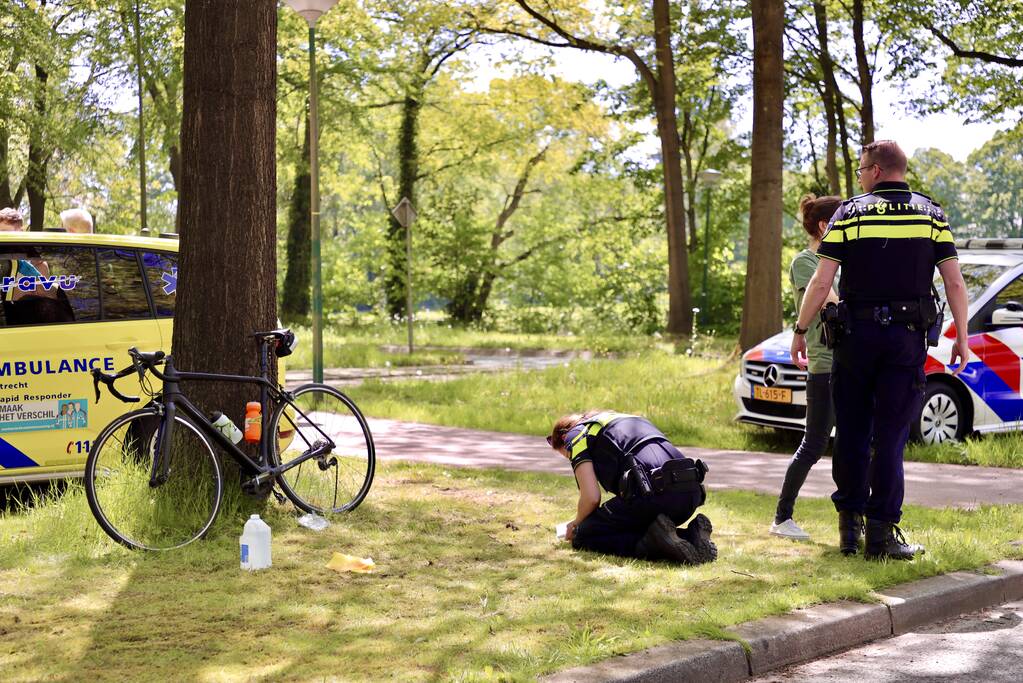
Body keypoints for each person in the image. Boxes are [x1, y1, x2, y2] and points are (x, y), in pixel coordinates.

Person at [790, 140, 969, 561]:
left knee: (851, 432)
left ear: (874, 170)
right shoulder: (932, 215)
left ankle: (849, 531)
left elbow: (821, 282)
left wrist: (801, 329)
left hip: (855, 338)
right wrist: (961, 335)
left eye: (860, 171)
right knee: (890, 437)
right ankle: (882, 536)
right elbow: (955, 282)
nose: (859, 178)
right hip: (905, 340)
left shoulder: (847, 213)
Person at [548, 410, 716, 564]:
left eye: (568, 455)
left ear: (563, 438)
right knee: (633, 522)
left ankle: (659, 545)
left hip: (654, 495)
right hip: (690, 495)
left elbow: (591, 497)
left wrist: (576, 524)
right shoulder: (627, 419)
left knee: (584, 535)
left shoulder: (576, 436)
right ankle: (692, 536)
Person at [770, 194, 842, 542]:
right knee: (813, 444)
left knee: (853, 442)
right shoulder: (805, 262)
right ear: (824, 226)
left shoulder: (841, 264)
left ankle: (853, 519)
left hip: (847, 365)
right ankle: (782, 517)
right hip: (824, 365)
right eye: (842, 221)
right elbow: (827, 300)